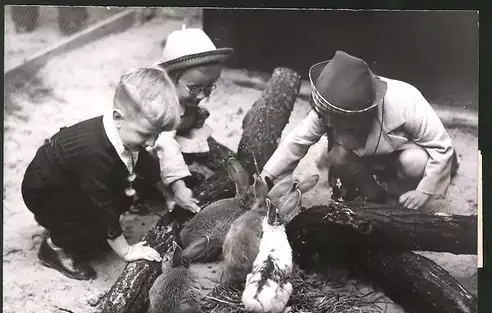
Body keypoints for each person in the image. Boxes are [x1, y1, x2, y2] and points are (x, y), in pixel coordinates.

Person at [21, 67, 181, 281]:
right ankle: (55, 247)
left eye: (157, 135)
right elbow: (101, 204)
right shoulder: (94, 153)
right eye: (145, 135)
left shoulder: (124, 134)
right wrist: (126, 251)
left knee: (117, 195)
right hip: (45, 190)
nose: (151, 142)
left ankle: (65, 224)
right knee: (90, 214)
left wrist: (168, 193)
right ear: (118, 118)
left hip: (72, 180)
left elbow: (147, 164)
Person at [261, 50, 459, 210]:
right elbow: (297, 141)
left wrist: (424, 191)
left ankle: (398, 193)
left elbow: (441, 146)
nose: (326, 122)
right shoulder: (329, 106)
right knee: (337, 157)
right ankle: (367, 190)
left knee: (416, 163)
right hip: (359, 157)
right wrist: (266, 179)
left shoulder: (406, 100)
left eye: (336, 118)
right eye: (324, 116)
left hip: (400, 154)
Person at [130, 26, 234, 215]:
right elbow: (164, 144)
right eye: (194, 89)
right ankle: (161, 191)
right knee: (150, 160)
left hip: (173, 134)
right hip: (148, 146)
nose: (203, 95)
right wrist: (178, 187)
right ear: (170, 79)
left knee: (193, 141)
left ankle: (176, 176)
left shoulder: (184, 95)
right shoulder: (160, 103)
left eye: (210, 87)